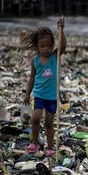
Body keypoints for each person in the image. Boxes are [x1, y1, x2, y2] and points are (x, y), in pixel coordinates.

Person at [21, 18, 66, 156]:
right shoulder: (35, 60)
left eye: (48, 46)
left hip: (52, 96)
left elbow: (63, 46)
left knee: (49, 123)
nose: (45, 49)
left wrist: (61, 30)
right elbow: (32, 78)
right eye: (42, 46)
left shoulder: (55, 56)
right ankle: (34, 143)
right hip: (39, 94)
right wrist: (28, 94)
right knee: (35, 118)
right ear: (37, 47)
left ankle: (50, 147)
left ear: (52, 45)